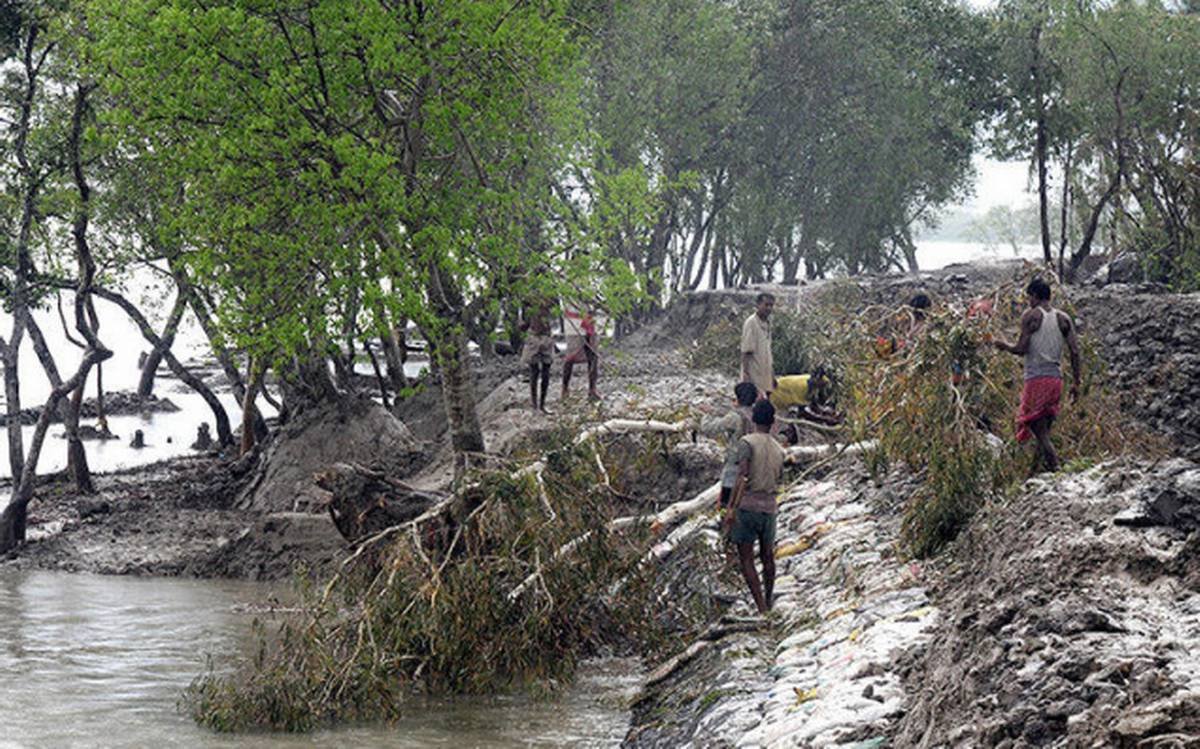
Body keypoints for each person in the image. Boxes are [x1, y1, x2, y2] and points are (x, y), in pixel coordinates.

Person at [992, 278, 1082, 473]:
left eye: (1029, 297)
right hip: (1056, 380)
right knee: (1044, 432)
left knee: (1036, 428)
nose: (1028, 301)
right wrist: (1076, 382)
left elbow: (1021, 349)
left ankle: (1056, 469)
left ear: (1034, 296)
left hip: (1036, 379)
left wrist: (1003, 345)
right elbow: (1075, 351)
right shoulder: (1063, 318)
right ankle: (1033, 474)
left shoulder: (1031, 316)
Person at [725, 399, 786, 614]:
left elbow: (742, 476)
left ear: (753, 418)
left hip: (748, 506)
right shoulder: (780, 449)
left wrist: (731, 508)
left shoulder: (746, 443)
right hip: (769, 508)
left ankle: (760, 606)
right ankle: (768, 599)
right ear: (772, 421)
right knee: (767, 555)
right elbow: (780, 479)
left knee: (746, 558)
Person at [699, 381, 759, 511]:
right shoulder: (758, 414)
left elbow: (708, 428)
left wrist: (708, 413)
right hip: (756, 466)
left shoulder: (735, 417)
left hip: (735, 467)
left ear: (738, 398)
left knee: (727, 504)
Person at [520, 298, 556, 413]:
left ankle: (541, 405)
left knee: (544, 372)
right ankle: (536, 405)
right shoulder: (528, 297)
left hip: (544, 336)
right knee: (535, 372)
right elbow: (524, 322)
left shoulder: (551, 296)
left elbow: (554, 310)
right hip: (535, 336)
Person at [769, 368, 841, 426]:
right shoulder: (803, 388)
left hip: (779, 391)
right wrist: (824, 419)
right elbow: (804, 413)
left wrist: (825, 414)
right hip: (776, 400)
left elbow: (812, 404)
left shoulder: (806, 380)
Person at [741, 293, 776, 400]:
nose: (769, 308)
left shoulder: (767, 323)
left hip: (765, 372)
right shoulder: (751, 323)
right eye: (766, 305)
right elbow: (746, 351)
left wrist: (772, 375)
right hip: (754, 374)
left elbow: (767, 352)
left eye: (771, 305)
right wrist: (745, 375)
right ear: (758, 305)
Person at [562, 306, 601, 401]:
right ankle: (565, 388)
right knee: (571, 356)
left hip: (591, 320)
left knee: (593, 355)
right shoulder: (571, 293)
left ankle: (592, 389)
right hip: (574, 322)